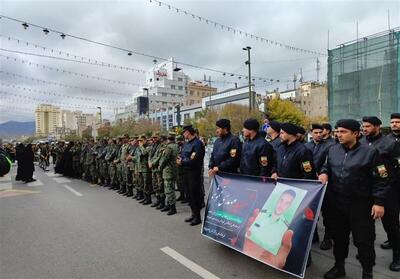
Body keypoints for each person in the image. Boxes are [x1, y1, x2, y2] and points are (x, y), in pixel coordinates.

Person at [319, 119, 389, 279]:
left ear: (356, 134)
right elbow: (326, 166)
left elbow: (382, 179)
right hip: (337, 204)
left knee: (364, 241)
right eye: (337, 131)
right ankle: (339, 267)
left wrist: (379, 202)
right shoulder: (333, 150)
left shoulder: (370, 152)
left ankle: (367, 272)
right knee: (339, 239)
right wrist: (324, 172)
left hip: (361, 206)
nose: (338, 134)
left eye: (343, 132)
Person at [361, 115, 400, 271]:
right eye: (363, 127)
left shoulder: (390, 143)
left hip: (388, 189)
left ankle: (397, 255)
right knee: (366, 224)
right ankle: (367, 252)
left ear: (377, 126)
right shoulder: (362, 142)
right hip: (366, 190)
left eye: (368, 126)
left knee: (391, 224)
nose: (364, 129)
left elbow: (397, 168)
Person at [244, 189, 296, 261]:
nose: (282, 205)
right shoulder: (261, 214)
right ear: (277, 200)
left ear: (289, 206)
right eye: (281, 200)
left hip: (265, 261)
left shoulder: (285, 226)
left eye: (287, 203)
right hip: (248, 254)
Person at [177, 124, 205, 226]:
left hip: (194, 173)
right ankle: (193, 214)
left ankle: (197, 217)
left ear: (188, 132)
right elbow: (182, 154)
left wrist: (182, 162)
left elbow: (195, 160)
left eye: (184, 132)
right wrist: (180, 159)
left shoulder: (197, 144)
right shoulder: (186, 143)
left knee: (194, 195)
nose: (183, 134)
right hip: (185, 172)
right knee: (188, 195)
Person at [159, 132, 179, 215]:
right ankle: (169, 205)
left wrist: (160, 166)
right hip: (174, 170)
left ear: (168, 139)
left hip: (168, 171)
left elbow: (164, 159)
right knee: (170, 188)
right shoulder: (176, 146)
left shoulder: (169, 148)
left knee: (169, 189)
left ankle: (172, 207)